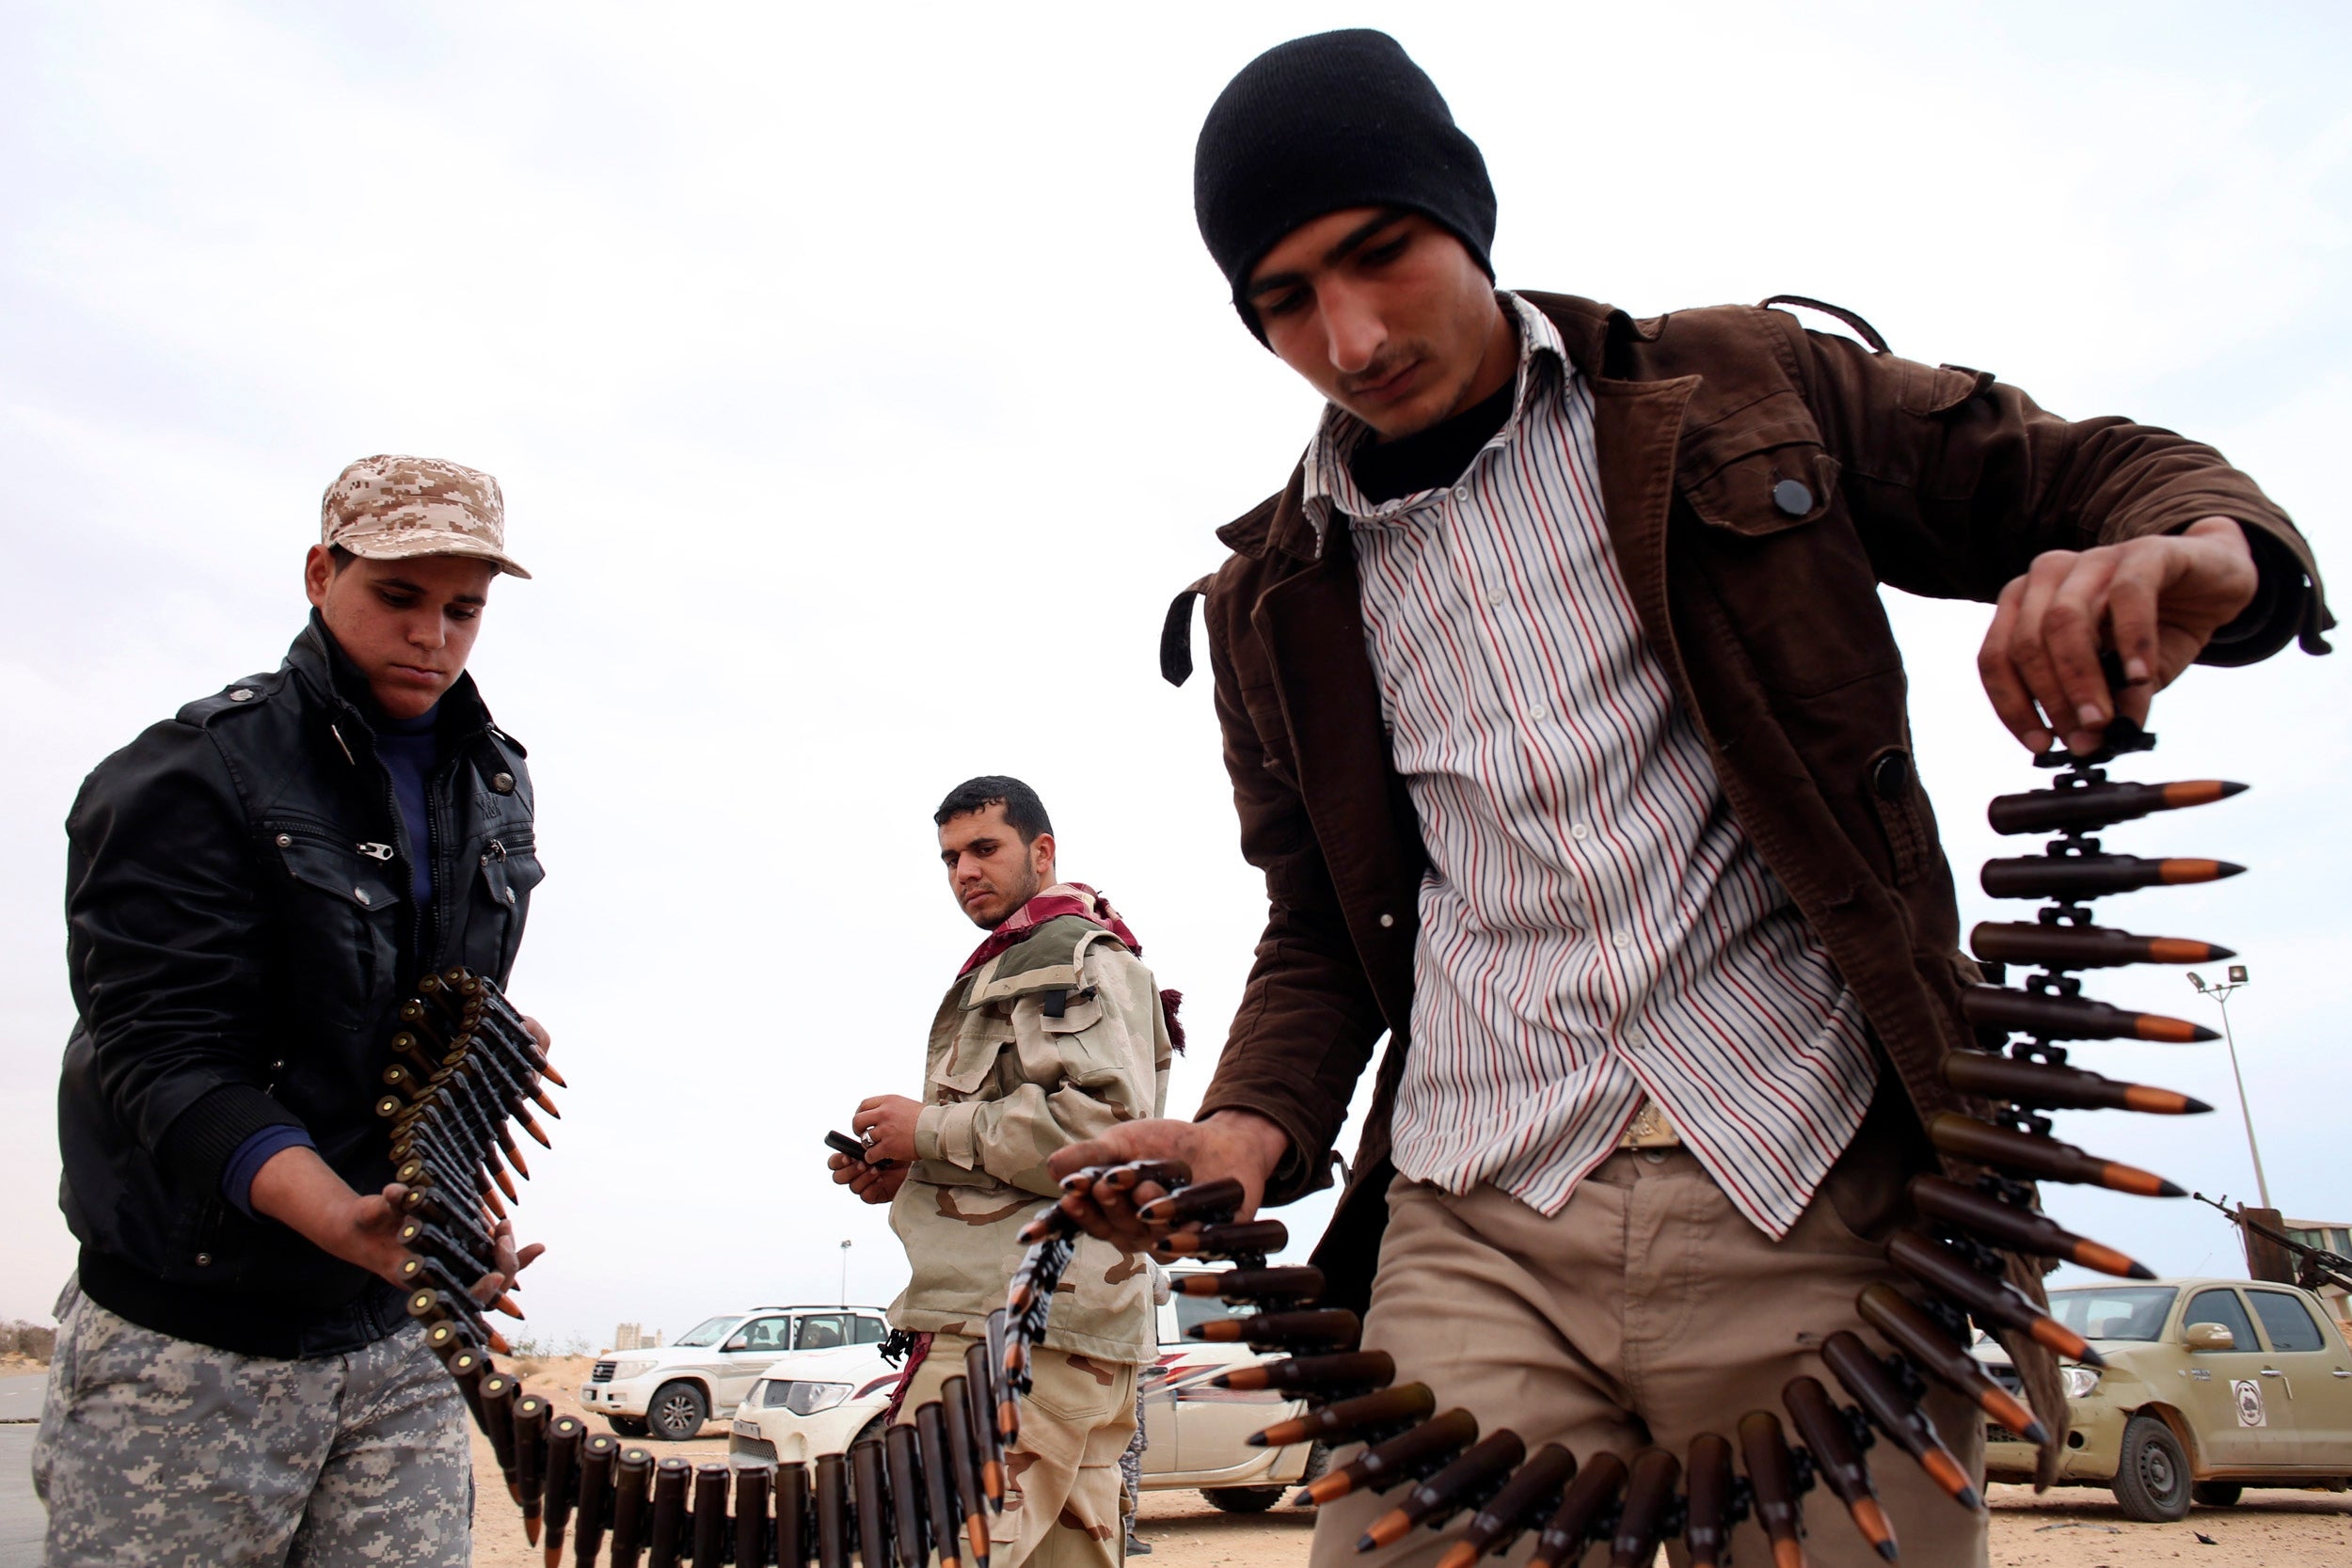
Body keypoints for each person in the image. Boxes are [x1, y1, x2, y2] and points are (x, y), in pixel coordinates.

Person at [1049, 28, 2330, 1568]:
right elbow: (1321, 926)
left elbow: (2105, 472)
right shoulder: (1274, 602)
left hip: (1818, 1194)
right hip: (1475, 1224)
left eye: (1380, 254)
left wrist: (2196, 554)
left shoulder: (1740, 391)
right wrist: (1250, 1122)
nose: (1353, 333)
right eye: (1285, 302)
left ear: (1465, 209)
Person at [36, 455, 550, 1568]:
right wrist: (332, 1212)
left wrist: (459, 1186)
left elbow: (434, 1036)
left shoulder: (493, 782)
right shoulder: (189, 773)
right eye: (399, 596)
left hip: (394, 1342)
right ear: (321, 573)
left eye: (464, 609)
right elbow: (163, 1052)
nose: (433, 636)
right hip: (196, 1342)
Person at [833, 776, 1175, 1568]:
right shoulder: (1021, 961)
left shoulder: (1069, 956)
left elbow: (1107, 1133)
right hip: (1048, 1328)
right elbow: (1014, 1144)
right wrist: (909, 1165)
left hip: (1018, 1334)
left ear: (1042, 850)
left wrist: (927, 1128)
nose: (963, 872)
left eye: (984, 848)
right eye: (950, 857)